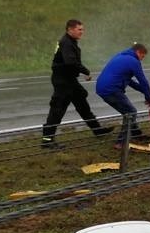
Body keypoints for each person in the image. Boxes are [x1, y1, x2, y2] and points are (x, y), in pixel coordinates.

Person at [41, 19, 113, 149]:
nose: (82, 32)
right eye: (79, 29)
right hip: (62, 81)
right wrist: (85, 71)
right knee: (57, 109)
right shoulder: (66, 43)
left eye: (82, 29)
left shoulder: (70, 42)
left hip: (69, 80)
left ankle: (97, 130)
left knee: (82, 104)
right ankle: (47, 140)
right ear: (70, 29)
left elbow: (71, 63)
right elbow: (70, 62)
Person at [96, 43, 150, 149]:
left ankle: (136, 134)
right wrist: (149, 98)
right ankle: (120, 142)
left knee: (127, 112)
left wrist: (145, 93)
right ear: (138, 52)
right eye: (142, 56)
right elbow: (143, 81)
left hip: (102, 88)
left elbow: (130, 82)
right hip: (111, 89)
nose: (141, 59)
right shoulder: (134, 61)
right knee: (131, 112)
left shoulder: (121, 56)